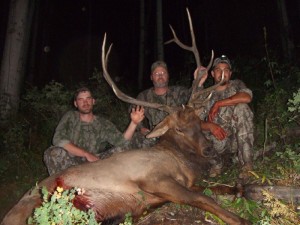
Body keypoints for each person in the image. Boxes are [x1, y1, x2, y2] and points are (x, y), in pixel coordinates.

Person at [44, 87, 145, 175]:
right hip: (72, 161)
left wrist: (134, 123)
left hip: (96, 162)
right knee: (52, 152)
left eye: (88, 98)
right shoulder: (70, 117)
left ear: (93, 101)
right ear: (75, 103)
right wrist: (86, 154)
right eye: (81, 99)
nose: (85, 102)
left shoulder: (102, 123)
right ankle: (61, 189)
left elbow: (122, 142)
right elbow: (58, 139)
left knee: (123, 149)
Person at [196, 55, 254, 179]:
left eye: (226, 70)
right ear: (212, 73)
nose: (222, 73)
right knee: (194, 133)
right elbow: (194, 122)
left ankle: (247, 164)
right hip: (216, 142)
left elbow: (247, 97)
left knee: (242, 107)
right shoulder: (205, 94)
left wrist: (218, 103)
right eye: (218, 70)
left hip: (235, 140)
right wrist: (210, 126)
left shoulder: (237, 85)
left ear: (230, 73)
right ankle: (217, 164)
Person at [130, 60, 193, 148]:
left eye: (163, 72)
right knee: (133, 139)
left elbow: (195, 99)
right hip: (155, 136)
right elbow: (133, 112)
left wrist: (199, 83)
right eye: (156, 74)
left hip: (179, 135)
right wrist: (140, 128)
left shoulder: (180, 92)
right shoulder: (143, 96)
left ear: (168, 75)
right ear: (151, 77)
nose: (160, 75)